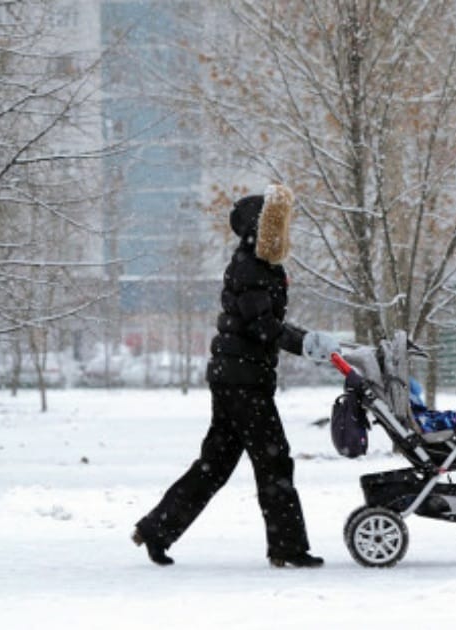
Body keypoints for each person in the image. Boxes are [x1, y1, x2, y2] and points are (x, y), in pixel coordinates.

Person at [131, 184, 341, 567]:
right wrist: (306, 343)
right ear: (258, 229)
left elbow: (266, 323)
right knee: (274, 462)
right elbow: (263, 325)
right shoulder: (250, 267)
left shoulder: (258, 265)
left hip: (238, 378)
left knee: (215, 464)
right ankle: (287, 548)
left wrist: (306, 340)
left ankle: (156, 529)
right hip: (243, 383)